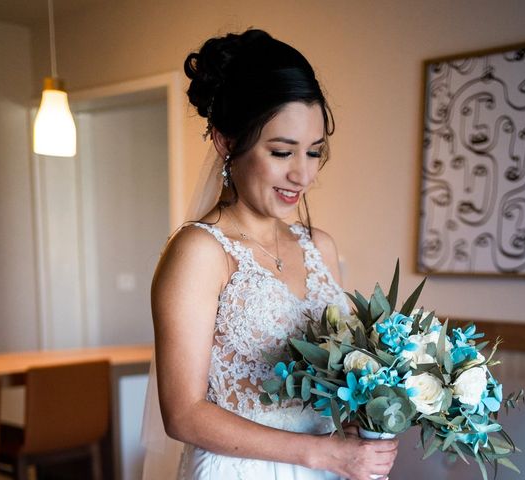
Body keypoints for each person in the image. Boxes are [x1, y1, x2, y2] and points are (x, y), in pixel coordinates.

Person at [144, 29, 399, 480]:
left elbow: (338, 376)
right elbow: (183, 414)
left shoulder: (320, 245)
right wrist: (322, 455)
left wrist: (376, 414)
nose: (302, 174)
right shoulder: (200, 253)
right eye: (282, 151)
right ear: (226, 141)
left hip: (330, 467)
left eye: (314, 152)